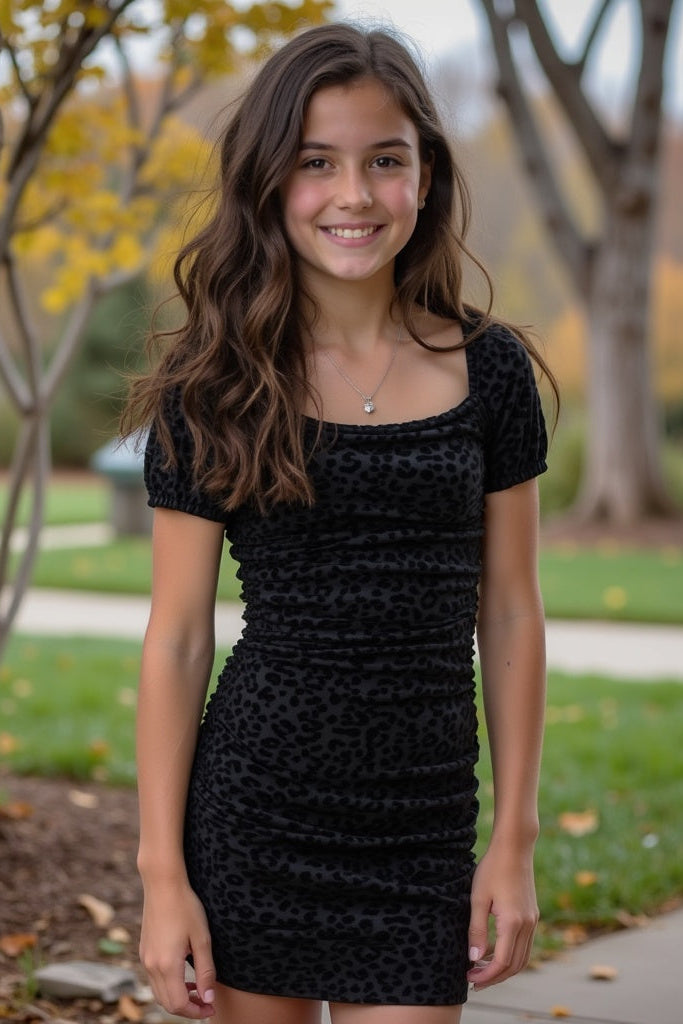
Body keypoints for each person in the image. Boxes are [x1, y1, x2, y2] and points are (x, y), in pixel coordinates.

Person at [124, 21, 555, 1024]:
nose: (353, 194)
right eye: (316, 162)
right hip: (253, 816)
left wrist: (515, 838)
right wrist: (160, 876)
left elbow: (513, 610)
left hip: (420, 828)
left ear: (425, 177)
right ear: (269, 181)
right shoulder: (215, 387)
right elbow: (177, 635)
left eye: (383, 161)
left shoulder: (490, 372)